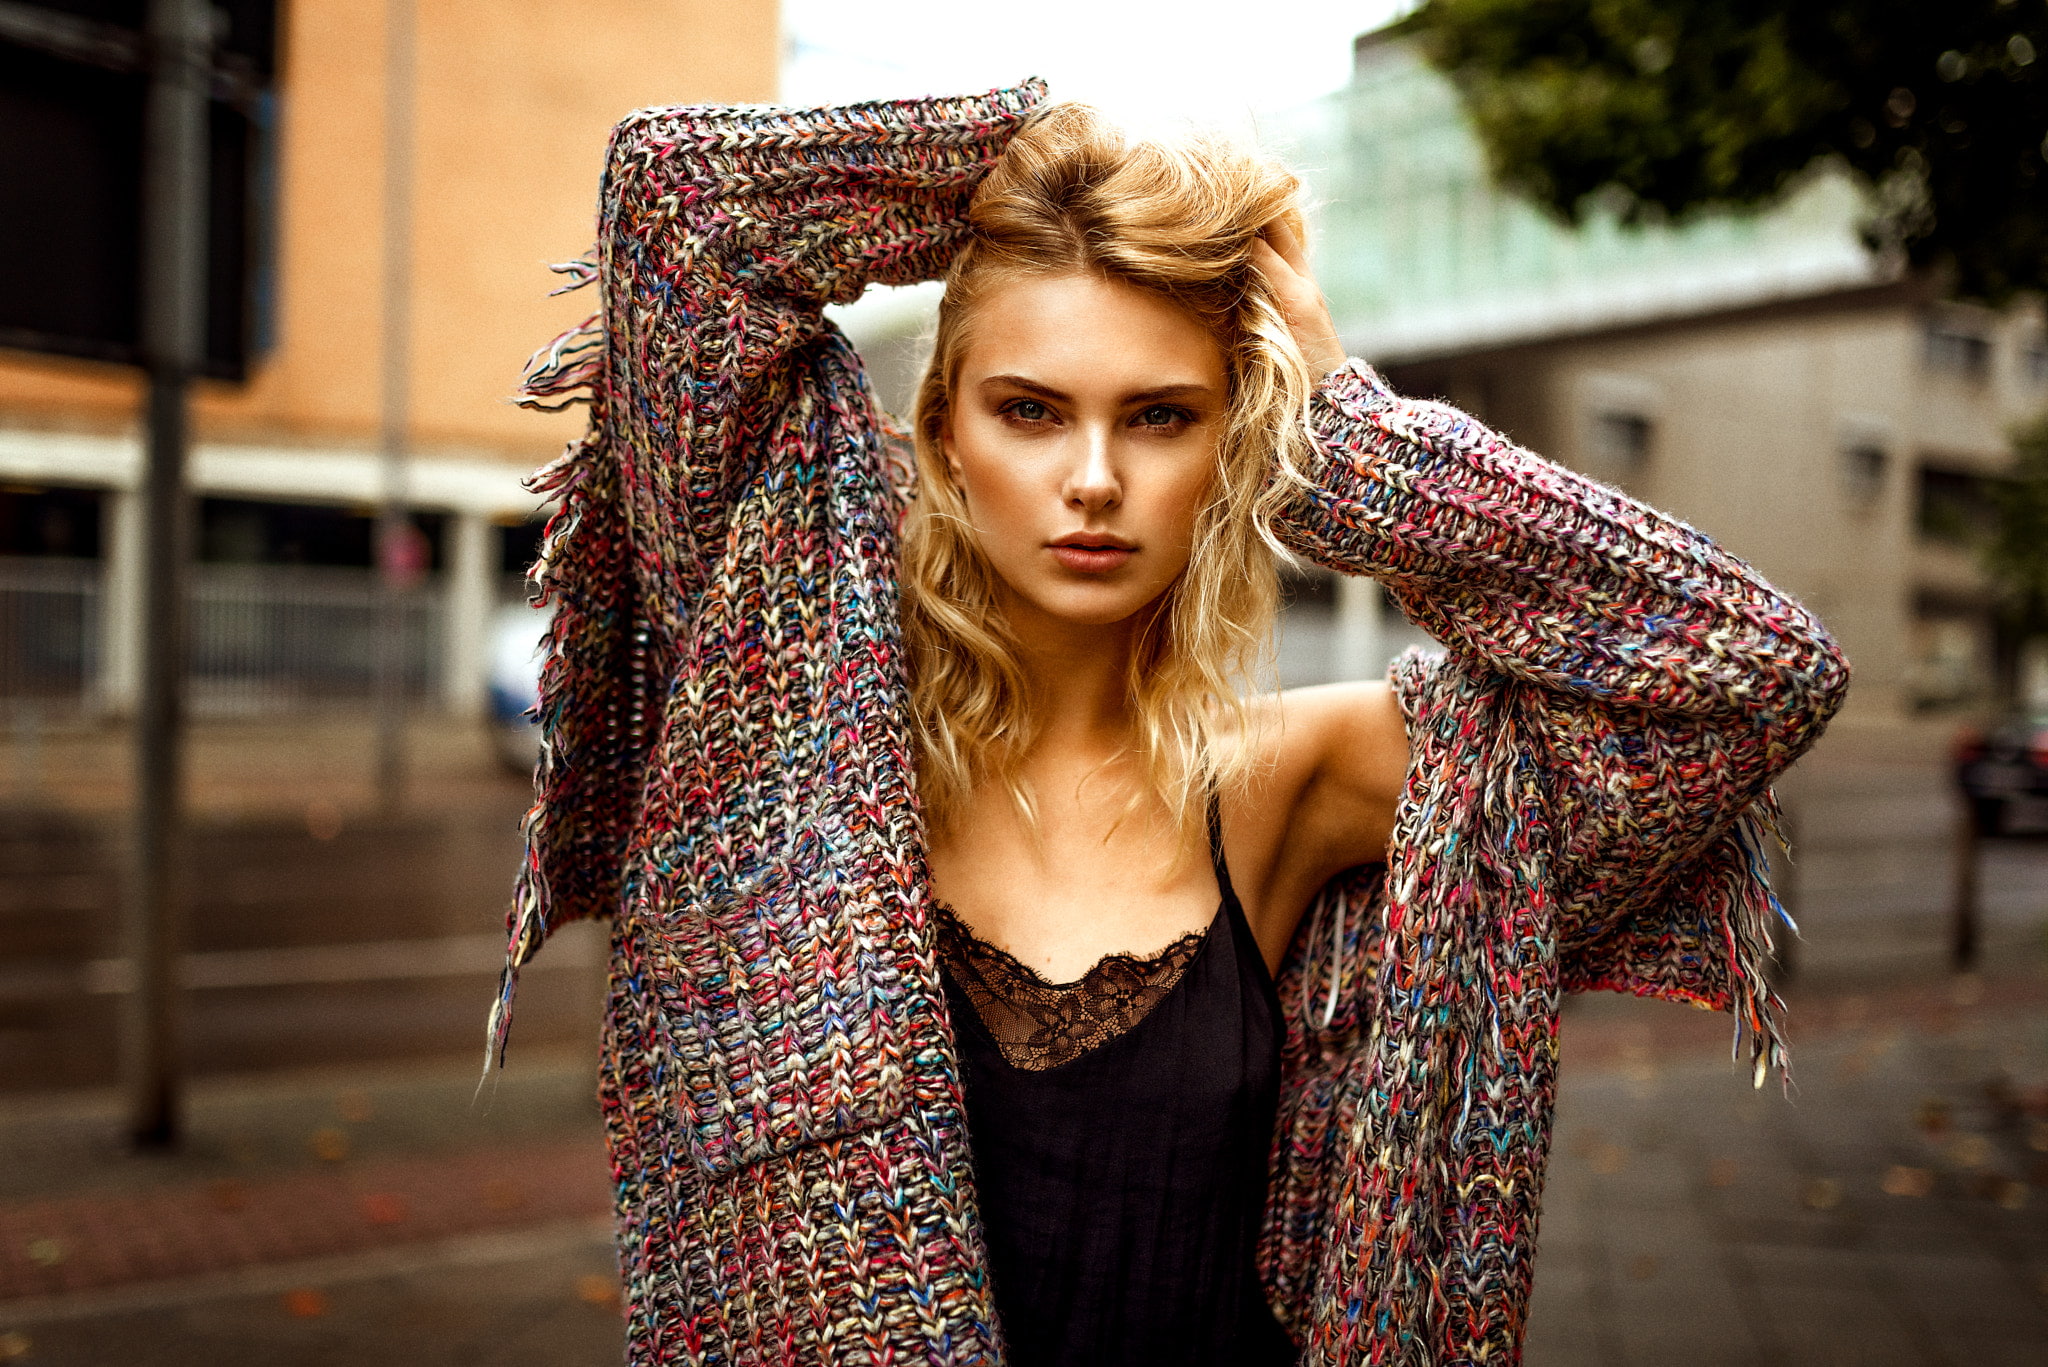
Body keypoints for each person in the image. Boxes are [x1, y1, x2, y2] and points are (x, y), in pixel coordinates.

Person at [496, 82, 1847, 1367]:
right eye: (1030, 410)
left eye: (1159, 417)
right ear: (947, 432)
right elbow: (677, 199)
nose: (1092, 479)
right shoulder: (791, 747)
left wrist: (1350, 442)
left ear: (1231, 443)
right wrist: (1051, 158)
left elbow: (1751, 673)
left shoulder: (1286, 781)